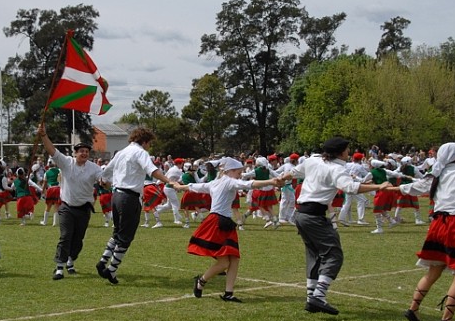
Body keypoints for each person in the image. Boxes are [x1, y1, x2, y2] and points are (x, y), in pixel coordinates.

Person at [281, 138, 391, 315]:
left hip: (301, 215)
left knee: (314, 254)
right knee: (333, 255)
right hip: (313, 216)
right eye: (347, 150)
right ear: (340, 152)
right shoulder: (337, 169)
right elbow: (350, 187)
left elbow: (293, 173)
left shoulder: (312, 160)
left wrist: (281, 178)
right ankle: (318, 295)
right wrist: (379, 186)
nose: (349, 152)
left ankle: (312, 298)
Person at [175, 157, 284, 302]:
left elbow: (193, 187)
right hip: (217, 222)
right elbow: (249, 184)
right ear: (230, 171)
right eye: (238, 172)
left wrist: (179, 187)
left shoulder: (215, 182)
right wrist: (271, 181)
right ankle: (201, 281)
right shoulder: (227, 181)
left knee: (234, 258)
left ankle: (228, 293)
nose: (240, 175)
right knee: (224, 263)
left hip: (222, 222)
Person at [389, 143, 455, 321]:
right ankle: (447, 320)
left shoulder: (438, 174)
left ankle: (413, 308)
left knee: (434, 270)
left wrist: (395, 187)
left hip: (438, 223)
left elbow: (415, 187)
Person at [94, 127, 174, 284]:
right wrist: (169, 181)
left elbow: (106, 172)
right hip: (129, 197)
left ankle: (103, 261)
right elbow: (152, 170)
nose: (149, 146)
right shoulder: (140, 152)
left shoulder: (121, 152)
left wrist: (104, 181)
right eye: (149, 143)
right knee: (126, 236)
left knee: (117, 231)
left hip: (116, 196)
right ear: (144, 142)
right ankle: (111, 270)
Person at [37, 124, 103, 280]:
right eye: (81, 151)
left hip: (84, 208)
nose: (84, 154)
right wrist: (44, 135)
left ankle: (71, 260)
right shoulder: (66, 163)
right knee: (65, 236)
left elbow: (103, 179)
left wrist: (105, 182)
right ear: (75, 153)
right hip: (67, 206)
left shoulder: (93, 168)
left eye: (87, 151)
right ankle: (59, 267)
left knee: (78, 239)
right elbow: (52, 150)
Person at [40, 158, 61, 227]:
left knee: (48, 205)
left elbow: (44, 183)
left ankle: (45, 222)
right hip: (58, 188)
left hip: (50, 189)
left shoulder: (46, 173)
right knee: (56, 205)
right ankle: (55, 223)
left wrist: (42, 191)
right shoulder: (59, 170)